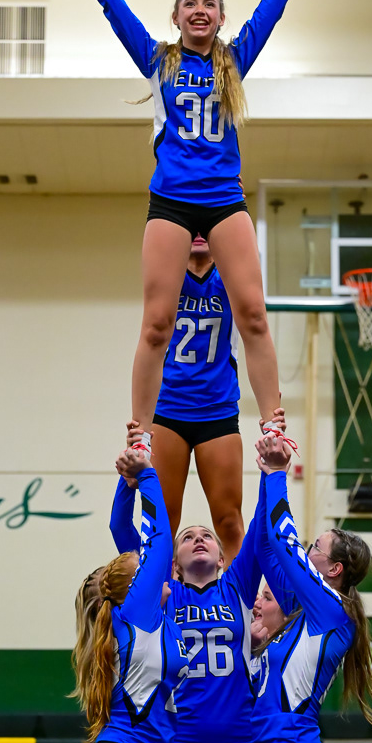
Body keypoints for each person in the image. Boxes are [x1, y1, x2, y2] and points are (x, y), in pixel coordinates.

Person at [46, 0, 313, 455]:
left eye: (209, 4)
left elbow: (274, 7)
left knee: (254, 314)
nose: (200, 10)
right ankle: (140, 435)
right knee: (157, 324)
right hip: (170, 201)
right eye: (190, 3)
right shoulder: (157, 60)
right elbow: (111, 4)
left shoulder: (234, 61)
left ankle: (273, 424)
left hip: (223, 200)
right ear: (176, 17)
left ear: (219, 19)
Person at [237, 435, 372, 743]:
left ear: (334, 569)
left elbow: (284, 547)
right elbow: (267, 548)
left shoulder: (332, 610)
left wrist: (279, 473)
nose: (308, 552)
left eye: (316, 549)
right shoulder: (307, 607)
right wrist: (266, 476)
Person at [109, 467, 271, 743]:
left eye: (207, 536)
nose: (198, 537)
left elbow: (259, 526)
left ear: (221, 557)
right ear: (173, 563)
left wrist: (273, 473)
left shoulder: (238, 586)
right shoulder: (164, 592)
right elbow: (120, 528)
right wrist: (129, 481)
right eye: (187, 536)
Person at [126, 233, 286, 565]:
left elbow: (257, 330)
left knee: (229, 521)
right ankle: (162, 604)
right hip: (168, 410)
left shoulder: (230, 276)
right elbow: (151, 337)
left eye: (206, 226)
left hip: (217, 411)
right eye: (192, 226)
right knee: (161, 525)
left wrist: (272, 416)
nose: (199, 233)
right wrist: (139, 426)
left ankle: (240, 608)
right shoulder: (169, 276)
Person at [70, 448, 190, 743]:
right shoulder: (135, 613)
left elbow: (120, 527)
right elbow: (158, 538)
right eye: (150, 570)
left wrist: (127, 479)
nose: (164, 569)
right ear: (133, 588)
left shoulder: (154, 616)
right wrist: (149, 474)